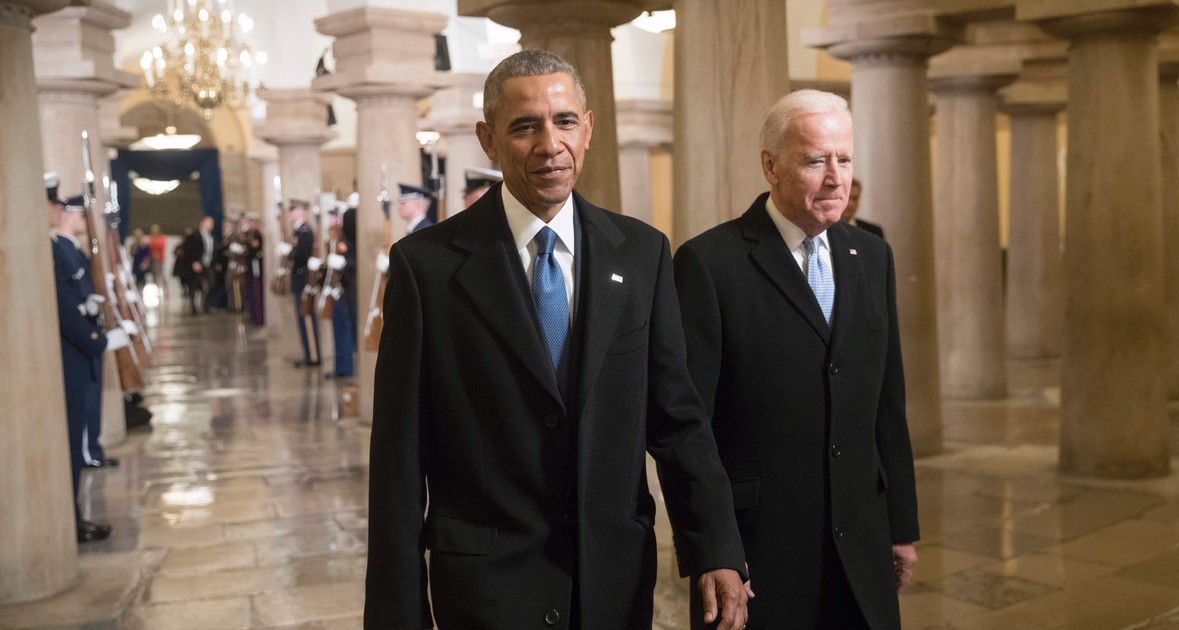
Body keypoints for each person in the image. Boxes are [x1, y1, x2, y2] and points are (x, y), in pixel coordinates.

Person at [365, 50, 749, 630]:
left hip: (612, 583)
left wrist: (716, 543)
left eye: (565, 121)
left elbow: (677, 419)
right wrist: (397, 614)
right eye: (525, 126)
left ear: (588, 128)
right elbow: (397, 462)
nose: (550, 144)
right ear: (488, 140)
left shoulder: (642, 255)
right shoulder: (427, 270)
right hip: (487, 590)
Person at [673, 90, 919, 629]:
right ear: (770, 165)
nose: (837, 178)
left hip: (861, 540)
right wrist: (714, 549)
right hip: (758, 553)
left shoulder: (871, 256)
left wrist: (900, 524)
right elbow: (689, 428)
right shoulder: (710, 264)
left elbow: (887, 401)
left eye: (845, 159)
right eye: (815, 161)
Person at [46, 173, 115, 543]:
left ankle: (72, 516)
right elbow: (64, 307)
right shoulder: (54, 248)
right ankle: (68, 519)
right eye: (53, 204)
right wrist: (96, 340)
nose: (56, 209)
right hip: (71, 351)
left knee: (75, 437)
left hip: (77, 351)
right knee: (71, 439)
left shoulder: (61, 248)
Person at [327, 198, 355, 379]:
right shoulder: (338, 235)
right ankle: (341, 366)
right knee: (339, 328)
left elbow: (353, 255)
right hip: (339, 288)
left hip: (347, 287)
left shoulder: (348, 232)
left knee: (344, 328)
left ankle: (344, 367)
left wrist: (343, 264)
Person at [289, 203, 320, 367]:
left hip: (303, 279)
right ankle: (308, 354)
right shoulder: (299, 231)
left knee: (306, 318)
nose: (291, 215)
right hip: (298, 279)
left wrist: (289, 252)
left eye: (293, 211)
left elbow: (301, 256)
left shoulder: (305, 232)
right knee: (302, 319)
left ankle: (313, 355)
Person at [181, 217, 215, 314]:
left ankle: (206, 305)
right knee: (194, 286)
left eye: (211, 224)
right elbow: (188, 250)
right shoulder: (194, 236)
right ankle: (193, 307)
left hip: (208, 264)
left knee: (211, 283)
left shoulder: (211, 237)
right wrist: (194, 262)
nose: (210, 226)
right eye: (208, 223)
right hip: (196, 264)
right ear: (202, 223)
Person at [129, 228, 151, 293]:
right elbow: (131, 254)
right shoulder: (134, 245)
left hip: (142, 263)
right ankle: (137, 291)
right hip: (136, 263)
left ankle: (143, 291)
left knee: (143, 278)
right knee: (137, 278)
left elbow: (147, 255)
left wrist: (145, 263)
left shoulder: (145, 245)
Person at [148, 223, 166, 293]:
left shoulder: (162, 238)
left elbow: (161, 247)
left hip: (159, 260)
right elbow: (150, 248)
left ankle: (165, 290)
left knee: (161, 274)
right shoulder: (151, 238)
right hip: (152, 259)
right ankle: (156, 290)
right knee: (154, 275)